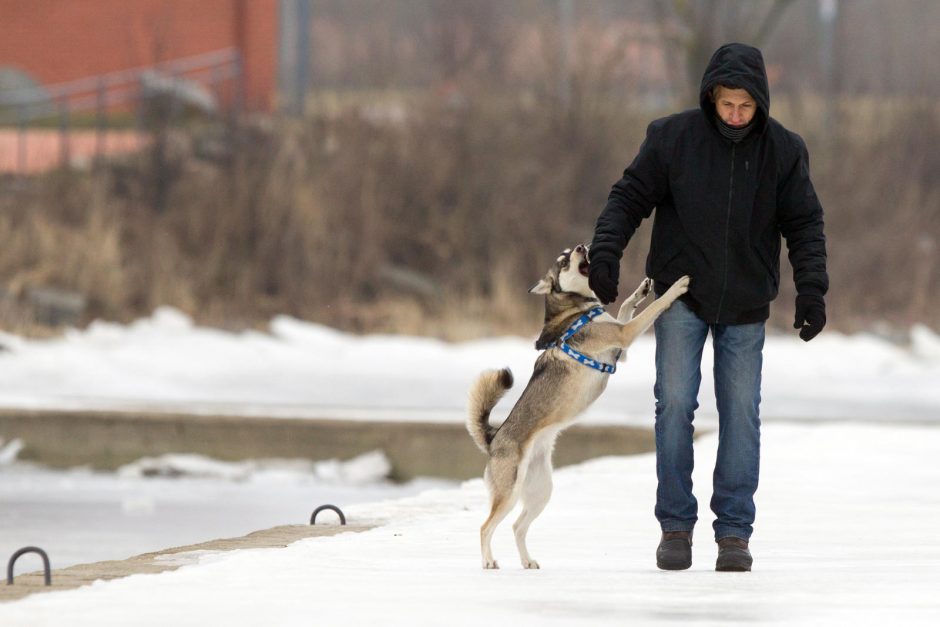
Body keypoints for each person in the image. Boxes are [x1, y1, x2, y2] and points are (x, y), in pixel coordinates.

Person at [588, 43, 828, 572]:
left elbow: (805, 225)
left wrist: (812, 289)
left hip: (745, 301)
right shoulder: (672, 139)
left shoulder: (783, 151)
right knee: (674, 405)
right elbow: (628, 197)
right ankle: (675, 527)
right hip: (681, 296)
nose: (736, 116)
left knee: (740, 415)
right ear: (711, 99)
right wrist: (606, 252)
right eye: (727, 105)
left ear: (760, 104)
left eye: (746, 107)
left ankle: (734, 534)